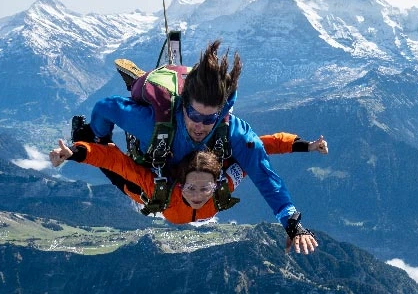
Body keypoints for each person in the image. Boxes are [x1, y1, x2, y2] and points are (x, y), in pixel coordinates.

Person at [89, 40, 318, 254]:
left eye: (210, 119)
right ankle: (139, 83)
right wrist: (100, 139)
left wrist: (291, 223)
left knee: (235, 156)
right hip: (161, 162)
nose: (200, 126)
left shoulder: (234, 132)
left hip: (193, 175)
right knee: (139, 191)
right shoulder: (151, 124)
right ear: (184, 106)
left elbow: (264, 174)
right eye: (194, 115)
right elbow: (105, 107)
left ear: (222, 113)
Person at [48, 133, 327, 226]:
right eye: (192, 187)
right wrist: (77, 154)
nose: (197, 194)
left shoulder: (224, 185)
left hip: (167, 206)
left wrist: (306, 145)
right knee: (116, 172)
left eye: (204, 188)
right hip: (138, 190)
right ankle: (87, 134)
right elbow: (116, 162)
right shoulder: (159, 187)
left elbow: (259, 145)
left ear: (216, 184)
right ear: (179, 183)